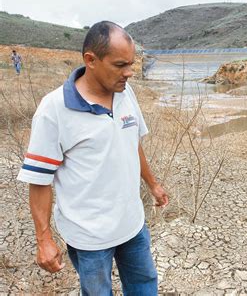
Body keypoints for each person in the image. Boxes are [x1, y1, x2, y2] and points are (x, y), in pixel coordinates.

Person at [17, 21, 169, 295]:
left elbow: (132, 142)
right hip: (89, 238)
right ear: (91, 60)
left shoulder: (125, 92)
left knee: (144, 285)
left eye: (131, 64)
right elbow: (39, 180)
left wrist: (153, 184)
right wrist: (44, 239)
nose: (130, 73)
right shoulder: (54, 110)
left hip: (133, 225)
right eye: (120, 65)